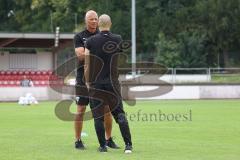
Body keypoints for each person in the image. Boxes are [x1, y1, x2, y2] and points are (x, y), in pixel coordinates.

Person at [84, 14, 133, 153]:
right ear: (110, 24)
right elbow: (120, 59)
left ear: (98, 24)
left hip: (96, 84)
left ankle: (102, 146)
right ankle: (128, 145)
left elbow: (87, 64)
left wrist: (87, 81)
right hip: (112, 83)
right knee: (120, 114)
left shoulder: (90, 41)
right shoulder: (117, 39)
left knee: (98, 117)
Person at [73, 10, 118, 150]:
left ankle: (108, 139)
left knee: (106, 110)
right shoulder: (80, 36)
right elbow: (80, 56)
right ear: (86, 21)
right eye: (91, 19)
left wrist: (92, 51)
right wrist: (97, 52)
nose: (94, 21)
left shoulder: (102, 35)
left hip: (100, 78)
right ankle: (78, 140)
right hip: (83, 78)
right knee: (81, 109)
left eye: (96, 19)